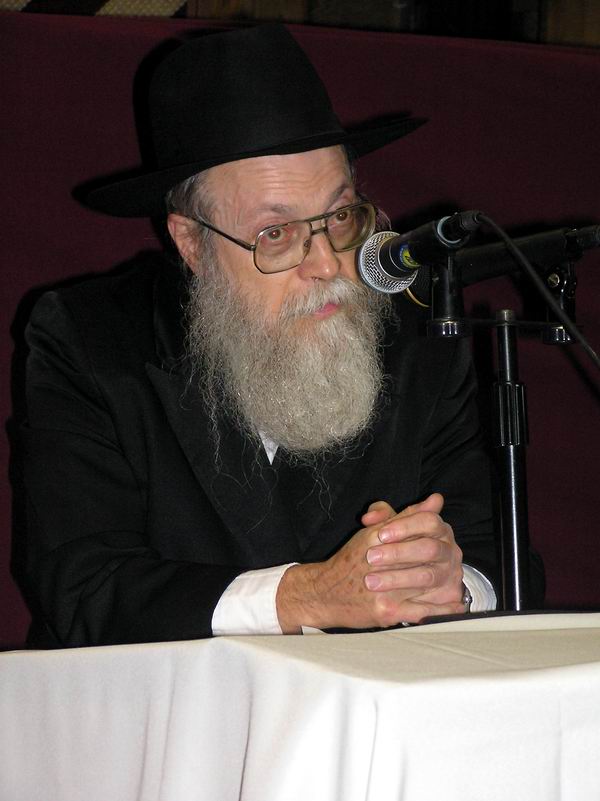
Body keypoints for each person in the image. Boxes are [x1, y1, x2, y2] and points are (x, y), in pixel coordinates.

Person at [20, 23, 503, 647]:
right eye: (275, 234)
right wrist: (306, 596)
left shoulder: (420, 335)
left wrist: (453, 584)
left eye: (339, 216)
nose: (327, 264)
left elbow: (500, 556)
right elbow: (84, 589)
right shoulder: (92, 339)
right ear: (191, 242)